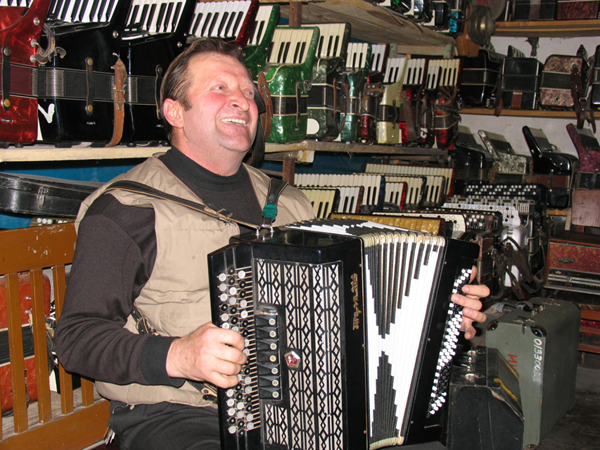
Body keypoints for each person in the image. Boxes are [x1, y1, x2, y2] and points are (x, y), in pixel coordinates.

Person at [54, 37, 489, 450]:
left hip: (307, 406)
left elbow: (350, 315)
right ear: (175, 112)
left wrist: (437, 319)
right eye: (220, 89)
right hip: (180, 413)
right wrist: (179, 355)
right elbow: (75, 339)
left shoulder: (289, 203)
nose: (242, 101)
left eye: (248, 92)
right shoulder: (127, 209)